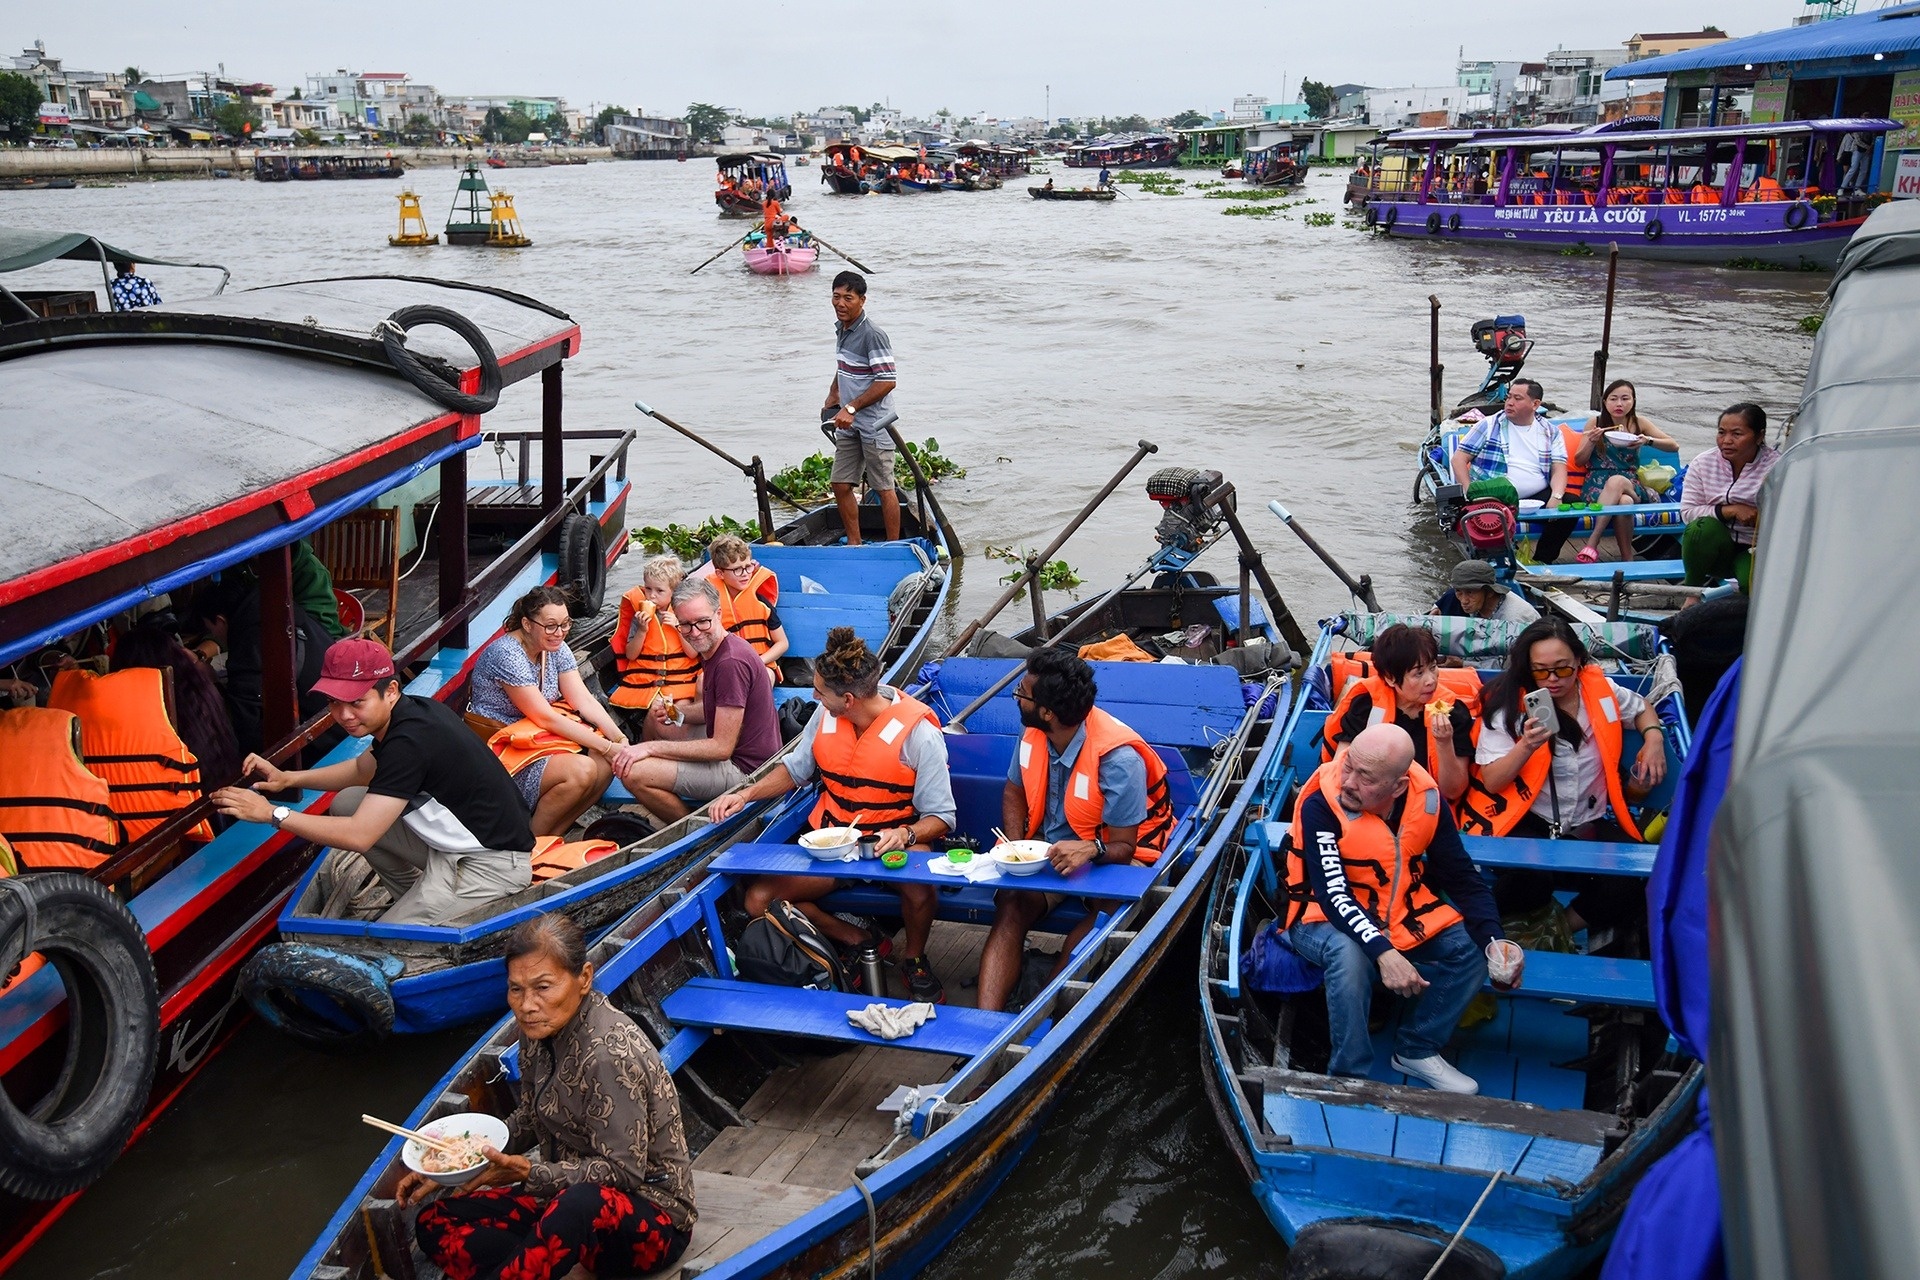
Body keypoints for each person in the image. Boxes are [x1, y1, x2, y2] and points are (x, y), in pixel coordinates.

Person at [399, 914, 696, 1279]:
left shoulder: (607, 1056)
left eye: (542, 987)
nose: (526, 1005)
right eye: (516, 989)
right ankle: (533, 1264)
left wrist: (532, 1171)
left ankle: (529, 1265)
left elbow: (622, 1173)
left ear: (583, 978)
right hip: (560, 1202)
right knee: (435, 1220)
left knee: (579, 1203)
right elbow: (531, 1115)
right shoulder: (537, 1029)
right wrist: (452, 1163)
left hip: (647, 1224)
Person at [211, 638, 534, 925]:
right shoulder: (412, 712)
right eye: (334, 703)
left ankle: (419, 915)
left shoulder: (410, 742)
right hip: (452, 849)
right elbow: (361, 771)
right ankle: (415, 896)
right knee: (347, 802)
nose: (345, 715)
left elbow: (360, 836)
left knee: (384, 942)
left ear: (390, 691)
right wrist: (288, 778)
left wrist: (272, 814)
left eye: (356, 702)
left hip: (490, 865)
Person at [709, 628, 952, 1002]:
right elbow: (795, 770)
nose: (813, 696)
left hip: (892, 843)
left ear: (849, 699)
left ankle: (914, 959)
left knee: (921, 887)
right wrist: (747, 794)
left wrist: (904, 834)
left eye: (820, 691)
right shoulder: (825, 716)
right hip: (833, 844)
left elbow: (941, 816)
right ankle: (857, 938)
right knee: (758, 900)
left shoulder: (919, 734)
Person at [1283, 724, 1518, 1093]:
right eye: (1348, 766)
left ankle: (1417, 1047)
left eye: (1366, 778)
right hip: (1319, 918)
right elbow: (1333, 894)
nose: (1348, 782)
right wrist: (1384, 952)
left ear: (1398, 786)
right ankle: (1349, 1075)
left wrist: (1496, 939)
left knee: (1473, 946)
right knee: (1350, 953)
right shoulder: (1320, 806)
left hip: (1398, 913)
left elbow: (1459, 875)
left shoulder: (1426, 800)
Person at [977, 647, 1174, 1012]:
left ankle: (1041, 1019)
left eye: (1022, 693)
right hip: (1050, 851)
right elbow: (1013, 791)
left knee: (1102, 913)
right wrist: (1016, 845)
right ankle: (982, 1026)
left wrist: (1090, 849)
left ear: (1048, 712)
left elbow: (1124, 848)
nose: (1016, 699)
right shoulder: (1033, 733)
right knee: (1011, 904)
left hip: (1116, 856)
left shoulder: (1118, 760)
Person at [1466, 618, 1668, 938]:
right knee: (1531, 879)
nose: (1552, 680)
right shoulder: (1508, 705)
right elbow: (1492, 780)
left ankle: (1557, 929)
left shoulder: (1600, 692)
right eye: (1541, 670)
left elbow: (1641, 707)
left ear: (1578, 661)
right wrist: (1527, 746)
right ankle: (1484, 934)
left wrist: (1654, 738)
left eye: (1562, 668)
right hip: (1527, 820)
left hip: (1586, 824)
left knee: (1635, 879)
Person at [611, 579, 781, 824]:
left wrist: (649, 748)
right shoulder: (717, 649)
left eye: (702, 622)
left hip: (744, 769)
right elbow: (716, 711)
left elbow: (721, 748)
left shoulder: (730, 663)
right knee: (656, 720)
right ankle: (658, 784)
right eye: (686, 625)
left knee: (632, 773)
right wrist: (677, 715)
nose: (695, 632)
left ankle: (689, 828)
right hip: (730, 747)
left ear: (718, 614)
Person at [467, 586, 624, 838]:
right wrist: (606, 746)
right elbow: (544, 716)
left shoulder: (556, 647)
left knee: (605, 766)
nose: (559, 633)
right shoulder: (506, 654)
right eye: (551, 626)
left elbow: (583, 699)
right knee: (582, 770)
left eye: (565, 624)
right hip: (505, 750)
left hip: (538, 740)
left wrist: (618, 739)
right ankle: (529, 846)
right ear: (527, 624)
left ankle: (550, 838)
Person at [1325, 624, 1476, 804]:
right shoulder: (1366, 705)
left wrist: (1444, 742)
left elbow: (1452, 792)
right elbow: (1340, 769)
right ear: (1390, 678)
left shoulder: (1453, 712)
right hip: (1369, 803)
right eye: (1418, 673)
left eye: (1433, 667)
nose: (1431, 680)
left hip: (1425, 809)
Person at [1451, 380, 1572, 562]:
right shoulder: (1489, 425)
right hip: (1495, 496)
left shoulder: (1550, 431)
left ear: (1535, 404)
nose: (1509, 403)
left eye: (1517, 398)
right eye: (1509, 397)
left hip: (1535, 498)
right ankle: (1496, 560)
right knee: (1490, 517)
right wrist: (1470, 491)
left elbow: (1559, 468)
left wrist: (1556, 496)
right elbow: (1459, 459)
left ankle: (1542, 560)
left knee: (1569, 507)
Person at [821, 271, 901, 546]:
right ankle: (855, 543)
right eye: (836, 296)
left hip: (875, 423)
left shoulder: (873, 334)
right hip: (847, 422)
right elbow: (844, 366)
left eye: (848, 298)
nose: (840, 303)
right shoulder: (842, 328)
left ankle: (892, 547)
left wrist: (852, 407)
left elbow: (887, 381)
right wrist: (834, 395)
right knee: (840, 485)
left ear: (862, 300)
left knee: (883, 487)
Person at [1567, 380, 1679, 565]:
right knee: (1624, 501)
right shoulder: (1595, 423)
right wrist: (1591, 441)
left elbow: (1673, 445)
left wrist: (1647, 440)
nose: (1619, 404)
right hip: (1597, 485)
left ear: (1633, 401)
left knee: (1617, 481)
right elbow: (1580, 460)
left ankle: (1593, 542)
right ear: (1605, 402)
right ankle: (1627, 559)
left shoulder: (1638, 423)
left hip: (1630, 482)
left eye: (1625, 399)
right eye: (1614, 399)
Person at [1678, 402, 1780, 593]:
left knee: (1751, 587)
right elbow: (1688, 512)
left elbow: (1790, 520)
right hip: (1715, 549)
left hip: (1754, 547)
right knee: (1699, 529)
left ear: (1759, 436)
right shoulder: (1703, 463)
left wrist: (1761, 518)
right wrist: (1730, 510)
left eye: (1737, 434)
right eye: (1721, 432)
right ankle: (1691, 593)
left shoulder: (1777, 468)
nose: (1726, 440)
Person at [609, 556, 701, 736]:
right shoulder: (640, 615)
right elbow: (631, 655)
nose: (651, 596)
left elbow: (692, 653)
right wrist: (642, 630)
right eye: (648, 589)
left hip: (679, 684)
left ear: (674, 592)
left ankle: (661, 746)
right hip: (647, 684)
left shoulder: (683, 615)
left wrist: (679, 628)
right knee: (658, 712)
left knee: (676, 714)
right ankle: (648, 746)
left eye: (659, 591)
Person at [699, 535, 789, 676]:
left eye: (748, 567)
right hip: (727, 666)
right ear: (720, 573)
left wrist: (758, 661)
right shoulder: (711, 604)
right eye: (737, 570)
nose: (745, 574)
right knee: (701, 682)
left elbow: (782, 643)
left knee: (765, 676)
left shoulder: (760, 600)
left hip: (761, 664)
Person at [1432, 559, 1540, 627]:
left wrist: (1463, 662)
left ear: (1489, 592)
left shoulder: (1512, 620)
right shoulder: (1469, 598)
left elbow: (1508, 662)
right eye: (1459, 592)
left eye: (1470, 592)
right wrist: (1437, 607)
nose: (1464, 601)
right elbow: (1453, 593)